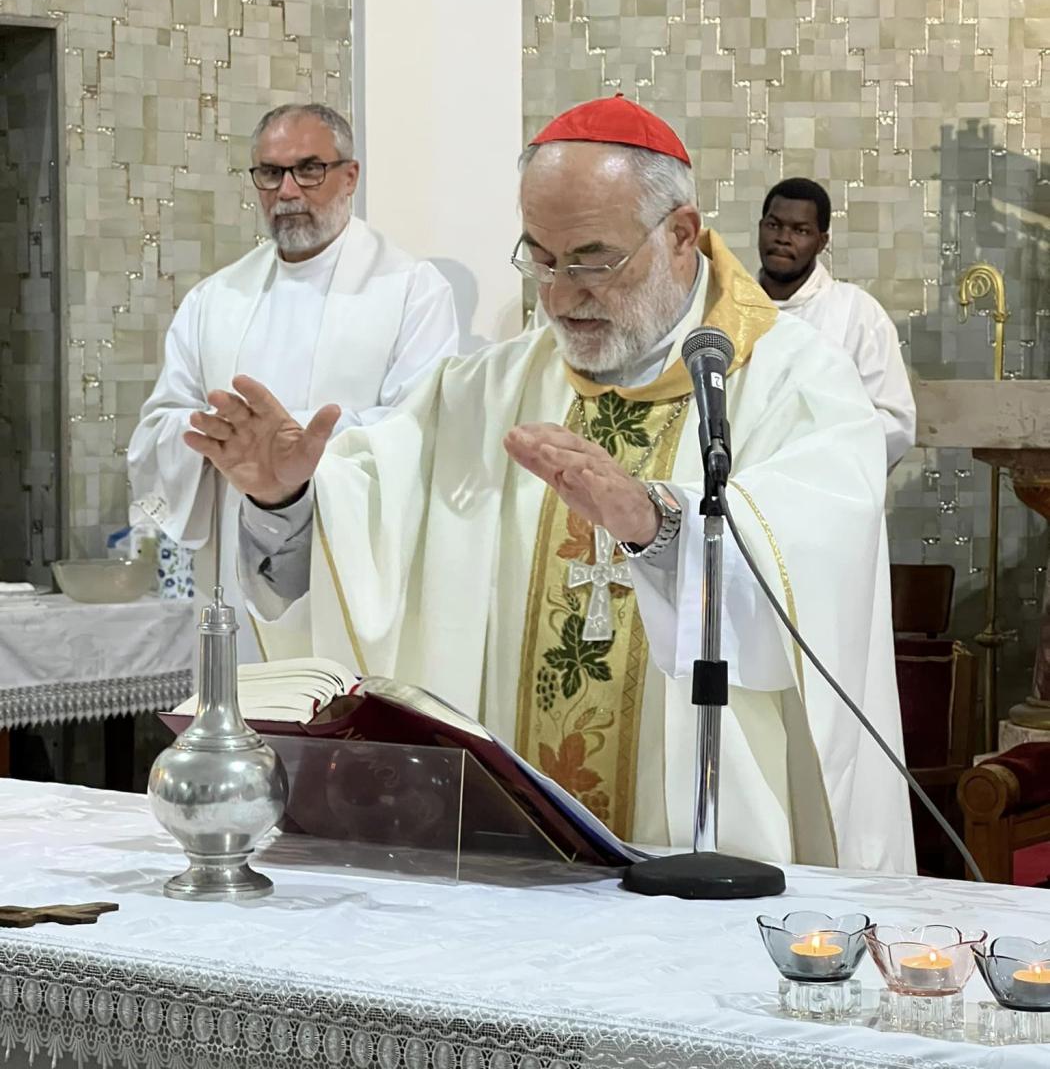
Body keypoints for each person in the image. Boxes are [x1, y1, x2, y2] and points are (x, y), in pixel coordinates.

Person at [185, 96, 914, 872]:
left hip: (712, 859)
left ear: (679, 235)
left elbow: (826, 563)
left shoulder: (796, 380)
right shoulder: (482, 393)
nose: (562, 293)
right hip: (511, 867)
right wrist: (285, 501)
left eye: (593, 259)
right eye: (540, 257)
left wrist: (661, 526)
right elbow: (365, 541)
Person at [128, 102, 459, 657]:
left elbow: (422, 430)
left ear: (349, 176)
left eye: (309, 169)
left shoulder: (412, 290)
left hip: (356, 579)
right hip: (236, 588)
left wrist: (291, 444)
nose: (287, 191)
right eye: (270, 173)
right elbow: (154, 431)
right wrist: (217, 435)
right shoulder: (215, 300)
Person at [756, 177, 916, 469]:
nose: (783, 238)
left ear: (822, 242)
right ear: (760, 228)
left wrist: (812, 450)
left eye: (800, 230)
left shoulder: (857, 313)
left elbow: (895, 424)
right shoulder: (730, 308)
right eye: (774, 225)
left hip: (824, 488)